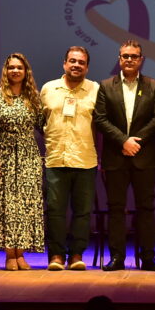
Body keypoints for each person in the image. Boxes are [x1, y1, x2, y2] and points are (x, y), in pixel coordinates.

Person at [94, 40, 155, 271]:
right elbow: (101, 119)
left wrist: (136, 142)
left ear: (141, 59)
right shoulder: (105, 86)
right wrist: (123, 141)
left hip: (144, 156)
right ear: (119, 59)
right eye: (125, 56)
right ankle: (117, 258)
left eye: (134, 56)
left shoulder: (153, 85)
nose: (129, 60)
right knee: (116, 208)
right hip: (115, 156)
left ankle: (147, 258)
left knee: (146, 208)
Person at [0, 53, 45, 271]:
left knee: (25, 206)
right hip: (3, 155)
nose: (15, 71)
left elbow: (44, 126)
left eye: (19, 67)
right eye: (11, 67)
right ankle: (9, 254)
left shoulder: (33, 97)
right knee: (6, 206)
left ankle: (21, 254)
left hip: (28, 155)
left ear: (26, 71)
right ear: (5, 71)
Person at [41, 46, 99, 271]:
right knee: (55, 210)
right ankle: (56, 255)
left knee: (82, 211)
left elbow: (100, 125)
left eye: (81, 62)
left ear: (87, 67)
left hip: (85, 159)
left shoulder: (95, 89)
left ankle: (76, 255)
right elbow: (39, 122)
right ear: (64, 64)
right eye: (72, 61)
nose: (76, 65)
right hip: (55, 158)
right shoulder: (48, 89)